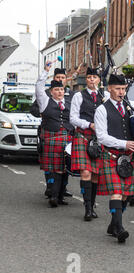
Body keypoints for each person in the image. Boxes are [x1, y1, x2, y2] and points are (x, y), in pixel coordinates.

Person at [94, 73, 134, 244]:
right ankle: (119, 229)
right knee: (117, 192)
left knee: (126, 194)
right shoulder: (102, 109)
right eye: (118, 89)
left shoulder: (132, 106)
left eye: (123, 89)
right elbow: (101, 137)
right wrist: (124, 144)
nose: (121, 92)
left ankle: (113, 224)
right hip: (112, 155)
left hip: (130, 157)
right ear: (110, 88)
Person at [70, 67, 108, 221]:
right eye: (89, 77)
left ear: (99, 80)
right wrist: (89, 124)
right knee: (86, 172)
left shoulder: (105, 95)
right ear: (86, 80)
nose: (92, 80)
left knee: (95, 176)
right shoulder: (79, 96)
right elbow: (73, 118)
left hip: (100, 138)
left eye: (95, 77)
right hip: (83, 136)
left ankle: (92, 205)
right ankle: (87, 209)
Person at [35, 63, 75, 208]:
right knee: (57, 169)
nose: (59, 92)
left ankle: (59, 196)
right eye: (56, 90)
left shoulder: (70, 103)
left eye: (61, 89)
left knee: (65, 169)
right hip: (52, 139)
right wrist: (45, 71)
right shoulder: (45, 102)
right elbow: (39, 87)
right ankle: (53, 196)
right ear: (51, 92)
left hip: (68, 139)